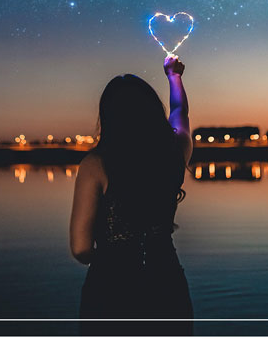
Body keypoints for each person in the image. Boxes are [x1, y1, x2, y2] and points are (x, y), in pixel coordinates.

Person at [69, 55, 194, 335]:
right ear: (152, 111)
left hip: (111, 289)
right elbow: (179, 114)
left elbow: (80, 248)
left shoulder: (96, 164)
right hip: (167, 282)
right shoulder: (175, 152)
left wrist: (112, 257)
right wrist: (174, 77)